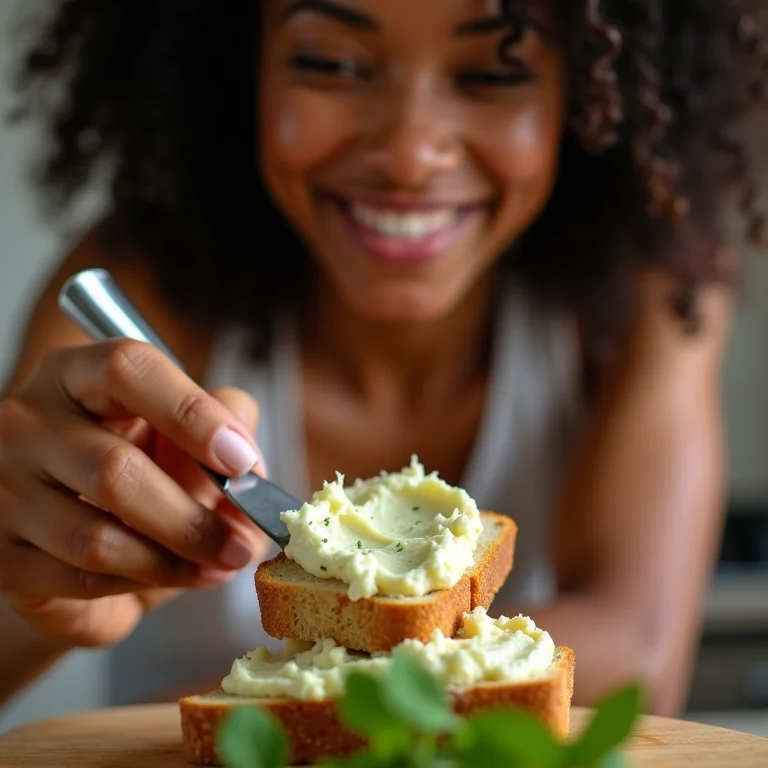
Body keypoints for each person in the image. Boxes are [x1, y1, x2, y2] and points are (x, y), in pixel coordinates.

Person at [0, 0, 765, 720]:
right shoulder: (142, 290)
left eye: (493, 74)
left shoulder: (649, 291)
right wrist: (33, 605)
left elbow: (634, 654)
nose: (407, 153)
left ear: (595, 97)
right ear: (241, 67)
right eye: (331, 64)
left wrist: (265, 711)